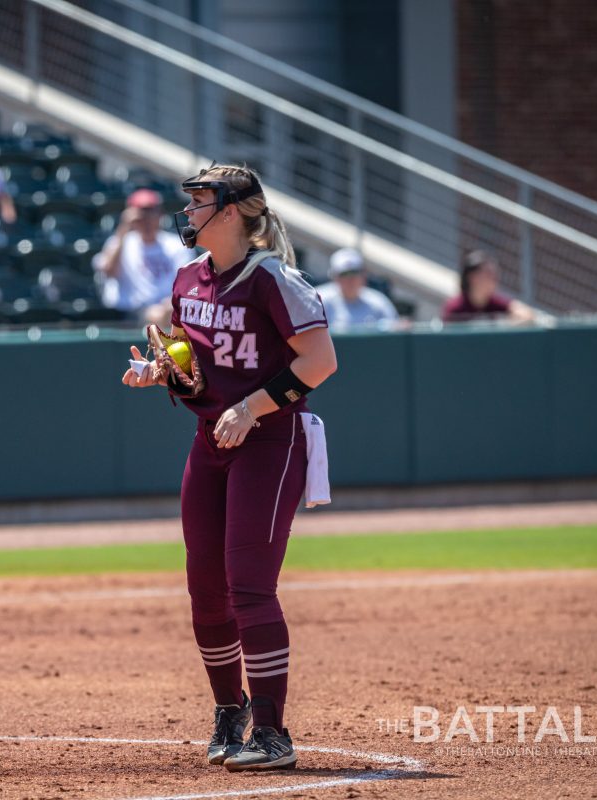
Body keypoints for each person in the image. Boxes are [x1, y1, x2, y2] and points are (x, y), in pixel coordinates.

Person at [121, 164, 337, 771]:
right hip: (211, 438)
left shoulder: (274, 278)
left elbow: (320, 361)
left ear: (236, 210)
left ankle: (273, 733)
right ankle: (228, 711)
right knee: (205, 590)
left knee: (249, 588)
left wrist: (251, 406)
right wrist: (159, 371)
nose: (188, 213)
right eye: (188, 203)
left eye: (200, 203)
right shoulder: (189, 277)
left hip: (269, 441)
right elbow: (196, 359)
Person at [93, 188, 194, 320]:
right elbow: (108, 271)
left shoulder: (175, 245)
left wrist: (166, 307)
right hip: (127, 316)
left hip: (167, 312)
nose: (146, 219)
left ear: (160, 214)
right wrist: (124, 227)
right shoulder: (121, 241)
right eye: (142, 213)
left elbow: (186, 285)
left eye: (151, 212)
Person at [441, 250, 536, 323]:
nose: (494, 279)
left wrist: (507, 324)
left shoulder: (495, 302)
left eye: (494, 274)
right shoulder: (455, 307)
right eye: (488, 274)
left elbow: (527, 314)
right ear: (473, 278)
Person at [316, 247, 398, 331]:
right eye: (344, 274)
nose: (350, 279)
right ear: (334, 277)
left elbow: (393, 331)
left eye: (354, 273)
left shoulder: (379, 302)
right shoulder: (318, 301)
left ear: (364, 275)